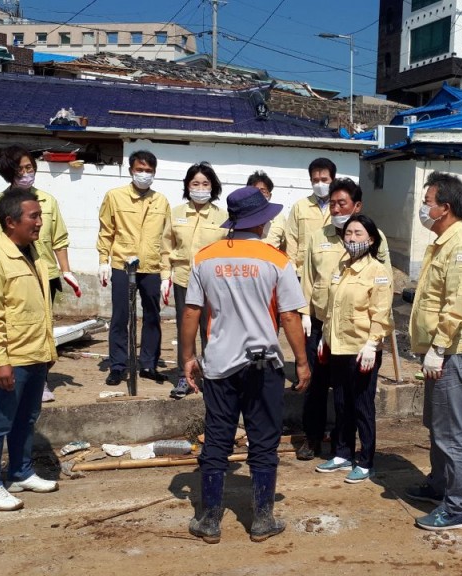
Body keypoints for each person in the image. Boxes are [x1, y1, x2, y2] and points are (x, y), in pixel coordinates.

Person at [180, 186, 311, 544]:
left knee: (217, 439)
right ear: (262, 221)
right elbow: (289, 317)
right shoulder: (277, 261)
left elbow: (192, 310)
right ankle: (262, 519)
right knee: (264, 442)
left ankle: (208, 520)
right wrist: (302, 362)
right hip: (263, 365)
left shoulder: (204, 257)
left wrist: (187, 357)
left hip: (220, 366)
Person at [404, 171, 462, 532]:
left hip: (451, 351)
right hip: (438, 352)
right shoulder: (441, 242)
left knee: (451, 433)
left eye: (428, 202)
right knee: (435, 425)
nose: (424, 208)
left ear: (445, 208)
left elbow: (459, 303)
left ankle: (457, 509)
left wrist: (438, 347)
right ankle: (438, 484)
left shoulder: (461, 246)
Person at [0, 188, 59, 511]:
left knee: (27, 418)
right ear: (10, 222)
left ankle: (21, 471)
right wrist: (0, 361)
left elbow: (38, 308)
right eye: (33, 216)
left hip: (35, 354)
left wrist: (48, 351)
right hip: (9, 359)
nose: (39, 222)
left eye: (40, 216)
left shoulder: (34, 254)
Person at [297, 178, 391, 461]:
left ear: (357, 206)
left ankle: (351, 450)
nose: (336, 208)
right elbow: (309, 278)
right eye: (333, 203)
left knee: (354, 396)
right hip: (322, 325)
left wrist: (376, 339)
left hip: (357, 331)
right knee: (318, 385)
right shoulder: (319, 236)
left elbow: (382, 291)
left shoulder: (372, 236)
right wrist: (304, 314)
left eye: (343, 203)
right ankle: (313, 439)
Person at [0, 145, 78, 403]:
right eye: (21, 169)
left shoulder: (47, 201)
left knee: (41, 327)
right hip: (7, 273)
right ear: (8, 172)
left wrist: (66, 270)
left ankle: (40, 379)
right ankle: (5, 371)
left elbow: (59, 238)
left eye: (30, 168)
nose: (27, 173)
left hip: (42, 273)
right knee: (6, 322)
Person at [315, 214, 393, 484]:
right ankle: (343, 452)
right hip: (338, 346)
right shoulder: (342, 266)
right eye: (348, 233)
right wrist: (325, 338)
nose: (351, 238)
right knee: (341, 402)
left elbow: (381, 313)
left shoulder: (378, 272)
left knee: (362, 405)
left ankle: (366, 459)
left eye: (358, 234)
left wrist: (373, 344)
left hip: (362, 349)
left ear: (371, 239)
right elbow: (332, 308)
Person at [96, 150, 171, 386]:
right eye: (140, 169)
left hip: (151, 266)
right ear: (131, 170)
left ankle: (148, 363)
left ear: (154, 173)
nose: (144, 174)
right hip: (122, 264)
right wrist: (102, 261)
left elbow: (167, 239)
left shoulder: (161, 201)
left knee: (152, 316)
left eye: (149, 171)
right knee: (121, 316)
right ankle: (118, 365)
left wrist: (166, 273)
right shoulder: (115, 197)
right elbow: (106, 230)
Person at [162, 162, 227, 399]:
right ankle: (183, 376)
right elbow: (166, 245)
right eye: (195, 183)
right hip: (183, 279)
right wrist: (165, 276)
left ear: (213, 186)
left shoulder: (223, 216)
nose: (200, 188)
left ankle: (211, 375)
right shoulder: (176, 213)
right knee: (184, 329)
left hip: (213, 283)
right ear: (188, 186)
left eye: (205, 183)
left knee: (209, 330)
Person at [285, 157, 335, 278]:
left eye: (324, 180)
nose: (320, 184)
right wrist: (292, 269)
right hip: (303, 272)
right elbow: (291, 239)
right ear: (311, 181)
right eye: (315, 180)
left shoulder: (339, 207)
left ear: (333, 180)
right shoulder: (300, 206)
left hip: (334, 272)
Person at [247, 170, 286, 250]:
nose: (259, 194)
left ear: (269, 195)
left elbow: (284, 246)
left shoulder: (279, 218)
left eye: (263, 191)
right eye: (255, 190)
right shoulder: (241, 216)